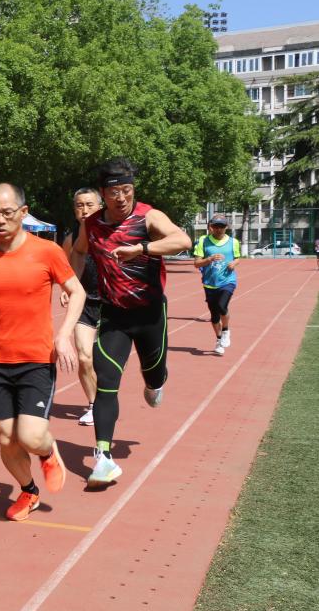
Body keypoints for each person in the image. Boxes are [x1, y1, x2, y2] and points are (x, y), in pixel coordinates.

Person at [0, 183, 85, 521]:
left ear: (23, 212)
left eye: (7, 213)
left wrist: (64, 335)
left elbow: (77, 292)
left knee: (31, 436)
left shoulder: (47, 251)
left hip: (36, 359)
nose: (0, 220)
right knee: (6, 437)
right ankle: (28, 490)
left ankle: (48, 453)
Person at [71, 158, 192, 488]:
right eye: (114, 192)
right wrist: (73, 284)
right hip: (115, 316)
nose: (122, 197)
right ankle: (103, 457)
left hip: (150, 314)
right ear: (103, 193)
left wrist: (142, 248)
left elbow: (183, 241)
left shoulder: (148, 216)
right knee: (106, 379)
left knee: (154, 377)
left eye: (127, 190)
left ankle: (155, 382)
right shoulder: (91, 225)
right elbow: (79, 251)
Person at [60, 188, 103, 426]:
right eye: (79, 205)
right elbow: (65, 269)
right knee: (85, 358)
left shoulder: (112, 232)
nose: (84, 210)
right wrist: (66, 290)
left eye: (89, 204)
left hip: (111, 304)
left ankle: (107, 399)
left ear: (100, 207)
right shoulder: (71, 238)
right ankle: (94, 405)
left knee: (105, 363)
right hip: (84, 303)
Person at [192, 215, 240, 355]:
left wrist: (234, 263)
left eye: (222, 226)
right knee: (214, 316)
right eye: (216, 226)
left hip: (227, 281)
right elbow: (196, 263)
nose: (219, 229)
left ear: (226, 227)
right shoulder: (203, 241)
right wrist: (210, 259)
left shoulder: (233, 242)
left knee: (222, 306)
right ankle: (218, 340)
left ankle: (225, 330)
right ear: (211, 227)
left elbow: (237, 258)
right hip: (210, 283)